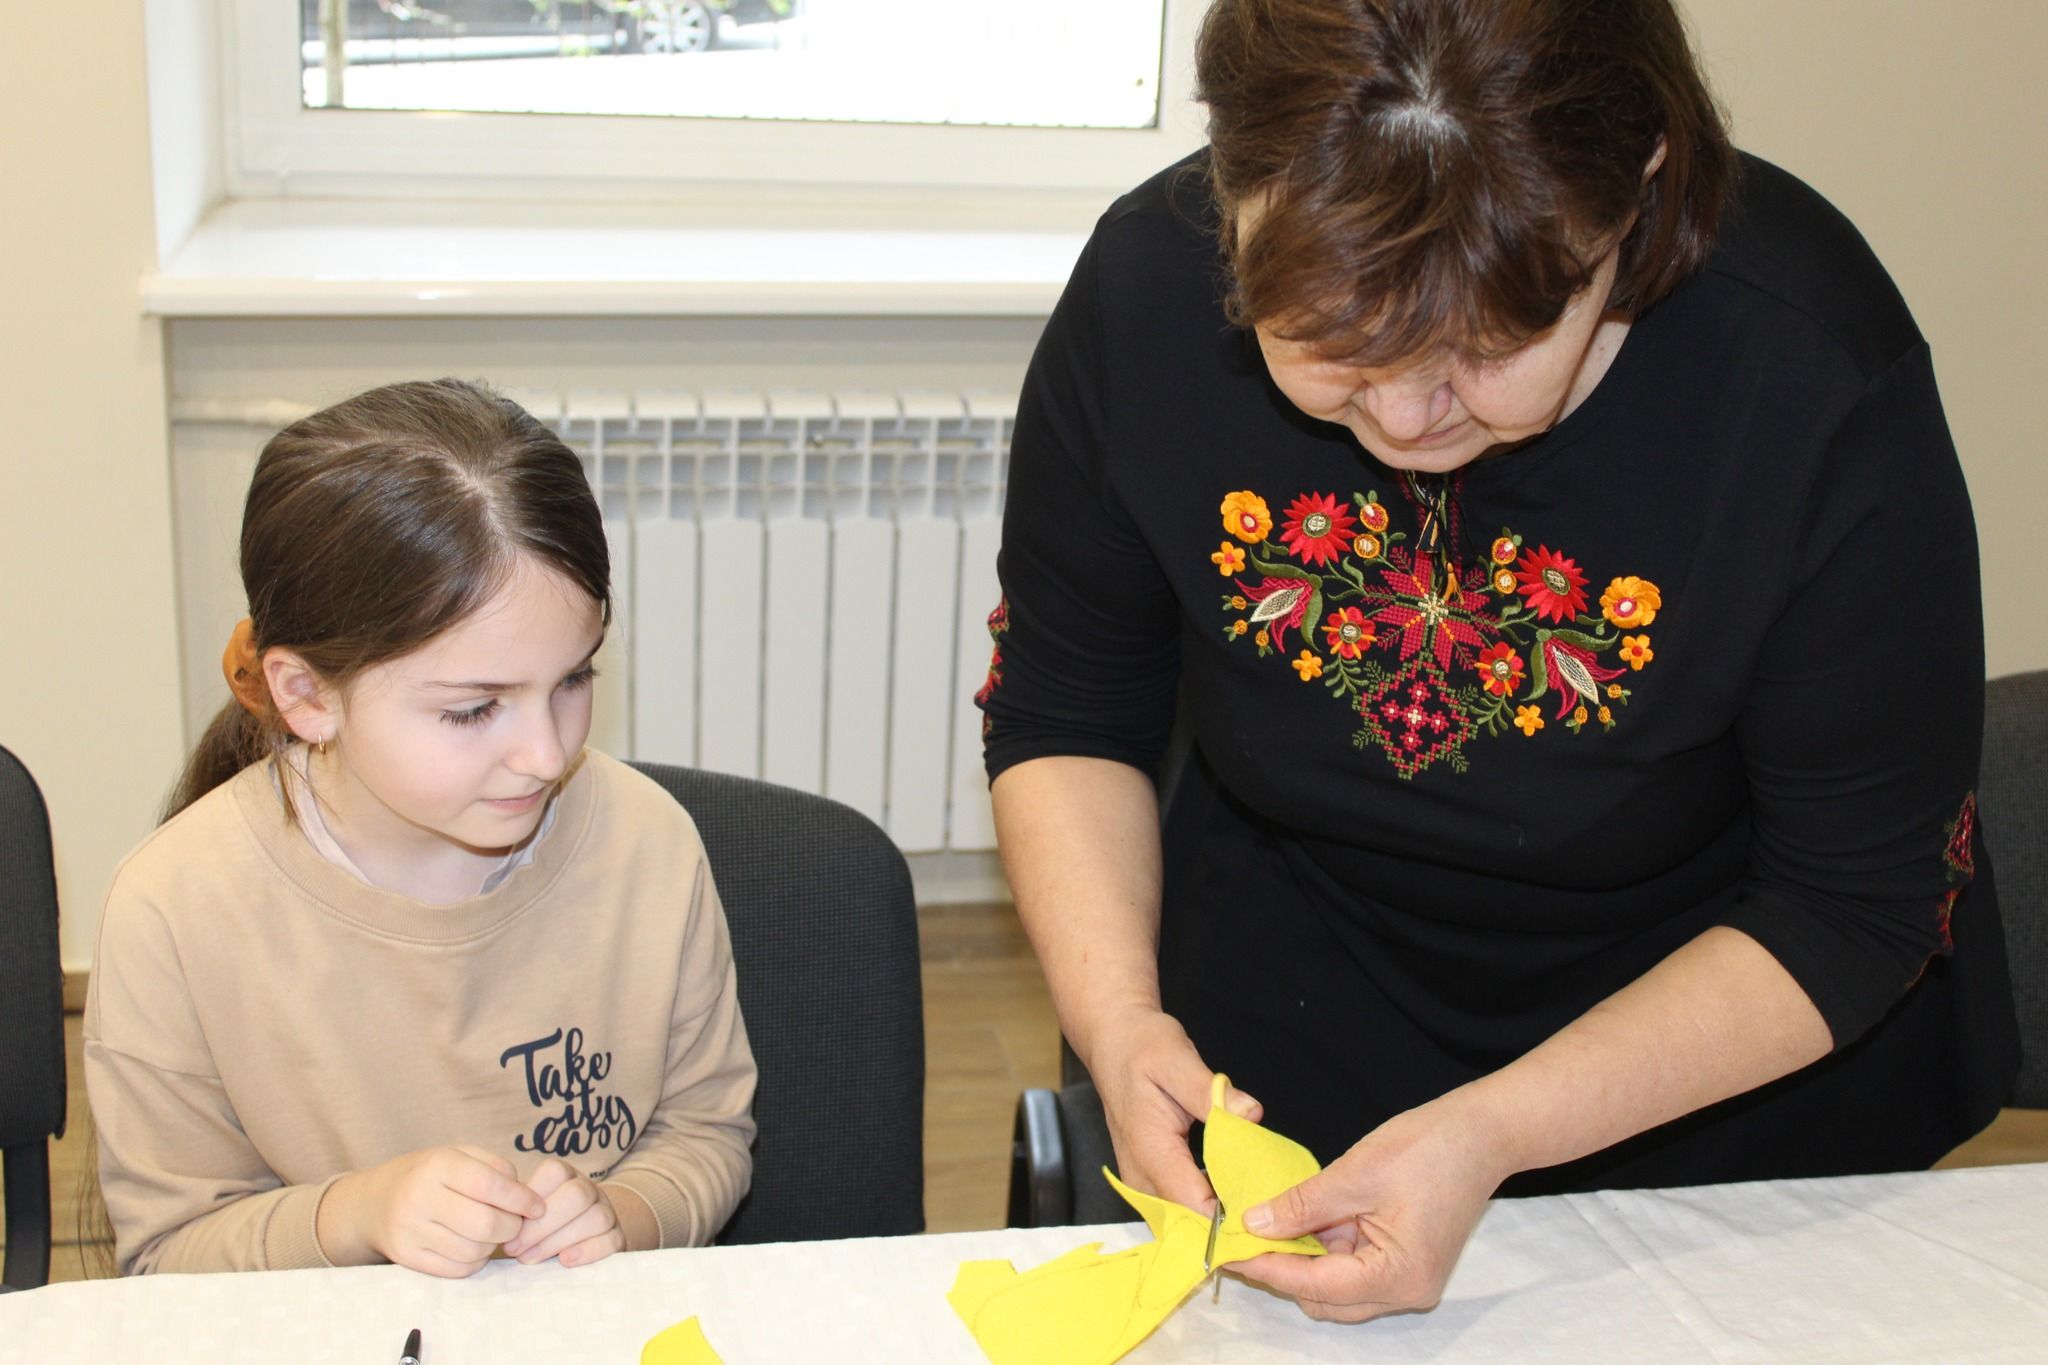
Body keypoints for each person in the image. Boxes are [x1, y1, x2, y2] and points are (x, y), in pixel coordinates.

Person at [979, 0, 2019, 1323]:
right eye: (1338, 354)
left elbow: (1855, 900)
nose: (1410, 418)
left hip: (1721, 1094)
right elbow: (1070, 712)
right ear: (1231, 201)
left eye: (1485, 351)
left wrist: (1496, 1125)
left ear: (1636, 191)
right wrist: (1121, 1022)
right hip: (1290, 1023)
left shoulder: (1806, 370)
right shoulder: (1143, 293)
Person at [85, 379, 756, 1277]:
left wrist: (624, 1213)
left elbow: (706, 1131)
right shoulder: (173, 908)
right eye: (475, 710)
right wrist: (353, 1214)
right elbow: (168, 1254)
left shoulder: (650, 846)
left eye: (573, 680)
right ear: (307, 696)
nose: (547, 755)